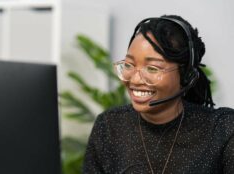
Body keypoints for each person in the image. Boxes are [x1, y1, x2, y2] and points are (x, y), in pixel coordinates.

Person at [83, 15, 234, 174]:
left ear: (186, 75)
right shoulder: (109, 126)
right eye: (129, 65)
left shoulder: (223, 130)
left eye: (153, 68)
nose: (135, 79)